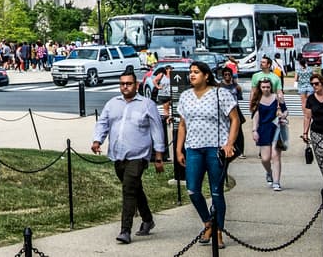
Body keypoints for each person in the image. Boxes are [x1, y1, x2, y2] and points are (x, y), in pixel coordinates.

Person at [91, 67, 166, 244]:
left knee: (128, 190)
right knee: (134, 188)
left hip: (138, 156)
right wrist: (97, 141)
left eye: (129, 84)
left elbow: (157, 130)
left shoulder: (147, 104)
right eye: (122, 84)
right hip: (118, 156)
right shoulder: (112, 104)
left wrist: (159, 156)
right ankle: (148, 220)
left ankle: (125, 231)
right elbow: (103, 123)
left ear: (137, 85)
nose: (125, 87)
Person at [175, 61, 240, 249]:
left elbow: (234, 119)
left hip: (215, 148)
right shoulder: (185, 96)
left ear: (206, 75)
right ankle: (207, 222)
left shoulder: (221, 93)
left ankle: (219, 231)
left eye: (196, 72)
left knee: (216, 191)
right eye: (190, 72)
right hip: (193, 148)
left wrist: (229, 144)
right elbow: (182, 125)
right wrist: (179, 149)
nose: (192, 75)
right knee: (193, 189)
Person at [250, 76, 287, 191]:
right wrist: (254, 130)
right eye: (263, 87)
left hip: (276, 128)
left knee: (275, 156)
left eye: (268, 87)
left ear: (271, 87)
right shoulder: (257, 99)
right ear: (260, 88)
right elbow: (256, 116)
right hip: (263, 129)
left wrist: (283, 113)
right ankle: (269, 172)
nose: (266, 89)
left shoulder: (276, 97)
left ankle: (276, 182)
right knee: (265, 158)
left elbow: (285, 111)